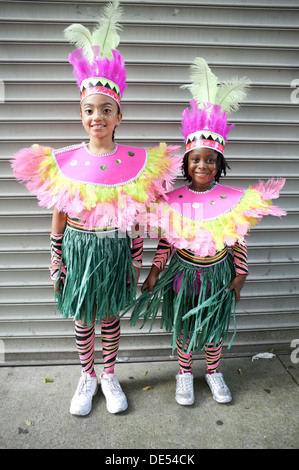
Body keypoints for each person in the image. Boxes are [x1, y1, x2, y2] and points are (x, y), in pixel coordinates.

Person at [11, 1, 181, 417]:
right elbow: (59, 214)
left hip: (115, 250)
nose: (97, 117)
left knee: (109, 317)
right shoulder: (65, 162)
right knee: (83, 315)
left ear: (119, 115)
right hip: (78, 249)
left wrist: (135, 262)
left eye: (106, 110)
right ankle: (86, 374)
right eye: (90, 110)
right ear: (81, 114)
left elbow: (139, 219)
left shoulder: (136, 163)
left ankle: (109, 373)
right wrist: (56, 261)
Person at [128, 58, 286, 406]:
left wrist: (240, 275)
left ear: (220, 164)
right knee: (185, 326)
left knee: (213, 328)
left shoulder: (233, 201)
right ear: (186, 162)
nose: (203, 165)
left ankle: (213, 371)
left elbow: (237, 239)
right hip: (183, 274)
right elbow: (168, 240)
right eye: (196, 159)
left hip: (218, 274)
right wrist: (155, 270)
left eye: (211, 160)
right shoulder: (173, 201)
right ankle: (184, 373)